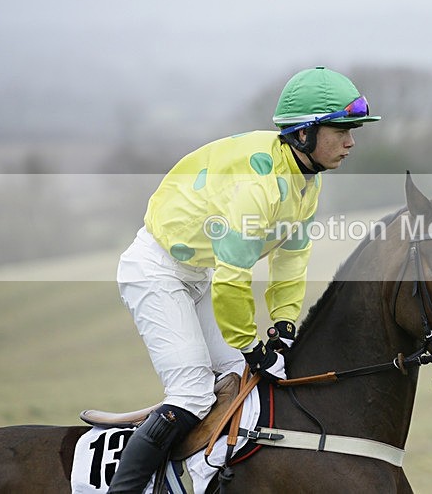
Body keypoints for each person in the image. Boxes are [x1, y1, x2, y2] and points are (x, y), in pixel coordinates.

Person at [107, 66, 380, 493]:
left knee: (242, 383)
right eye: (340, 130)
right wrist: (251, 344)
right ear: (304, 133)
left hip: (198, 274)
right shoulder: (260, 183)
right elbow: (233, 277)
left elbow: (292, 259)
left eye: (353, 130)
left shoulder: (306, 181)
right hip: (156, 272)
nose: (351, 142)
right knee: (193, 394)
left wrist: (285, 325)